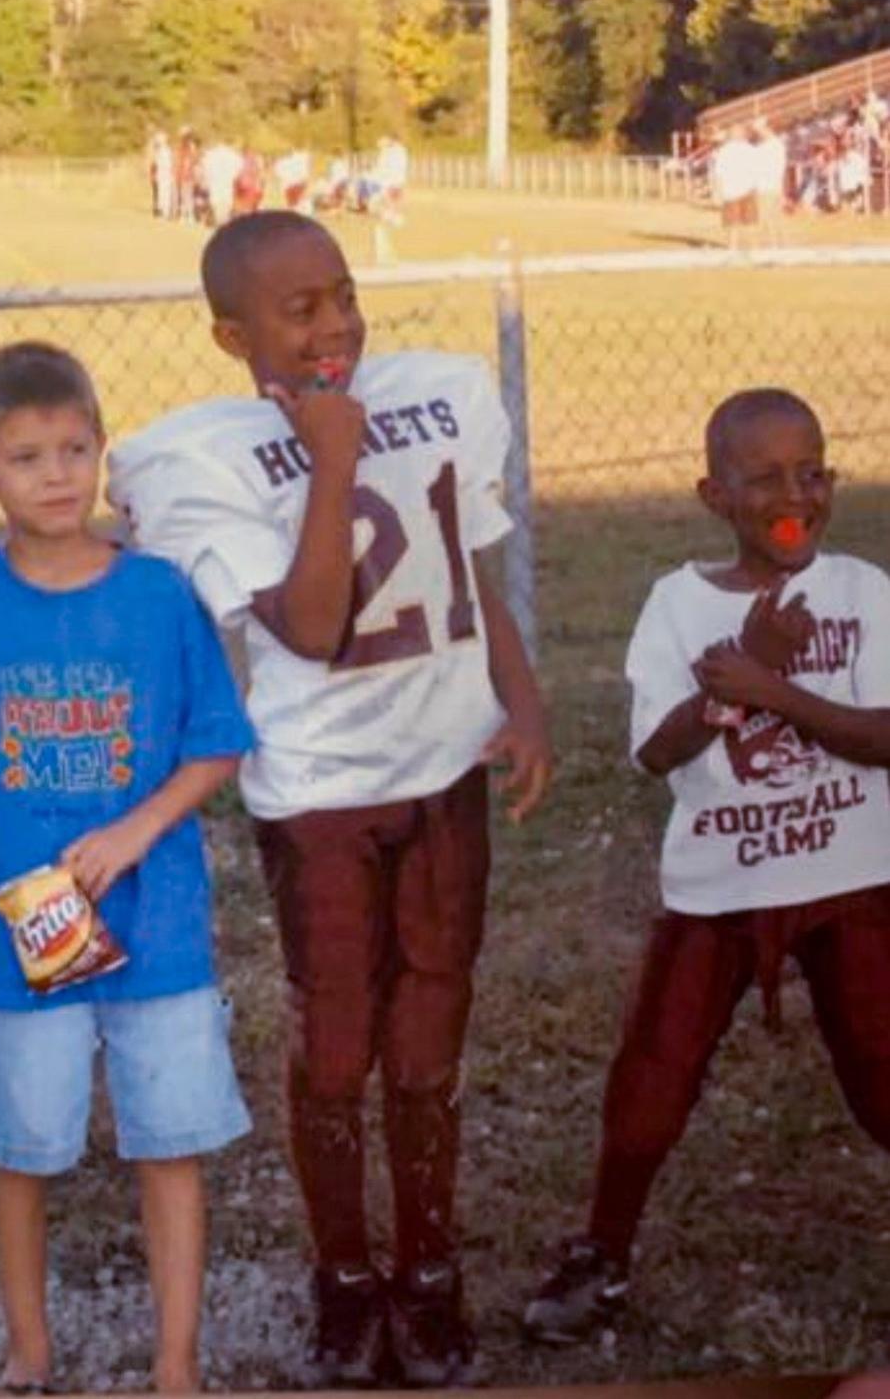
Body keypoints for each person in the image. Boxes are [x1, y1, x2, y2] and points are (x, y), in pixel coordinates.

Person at [107, 211, 551, 1388]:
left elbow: (469, 573)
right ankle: (345, 1273)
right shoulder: (203, 453)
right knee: (339, 1043)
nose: (336, 322)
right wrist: (333, 454)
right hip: (320, 797)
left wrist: (525, 699)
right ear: (230, 334)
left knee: (428, 1041)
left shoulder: (439, 390)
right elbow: (307, 626)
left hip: (443, 764)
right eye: (299, 309)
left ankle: (431, 1266)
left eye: (343, 293)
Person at [0, 341, 254, 1395]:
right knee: (20, 1142)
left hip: (159, 928)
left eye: (75, 448)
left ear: (102, 449)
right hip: (28, 928)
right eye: (25, 456)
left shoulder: (157, 594)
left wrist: (138, 829)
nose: (57, 474)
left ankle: (178, 1360)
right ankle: (29, 1348)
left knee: (169, 1139)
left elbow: (218, 742)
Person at [523, 388, 890, 1345]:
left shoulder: (861, 590)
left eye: (813, 472)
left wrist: (772, 685)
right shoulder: (678, 605)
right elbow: (656, 751)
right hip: (721, 890)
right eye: (765, 477)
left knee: (885, 1072)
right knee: (654, 1076)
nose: (795, 494)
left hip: (851, 881)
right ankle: (602, 1250)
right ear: (712, 495)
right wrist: (727, 681)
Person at [711, 125, 757, 249]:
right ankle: (748, 247)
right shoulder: (749, 149)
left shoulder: (725, 150)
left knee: (737, 222)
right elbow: (718, 173)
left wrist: (717, 192)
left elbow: (718, 173)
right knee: (745, 221)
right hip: (740, 189)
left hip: (736, 190)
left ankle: (737, 247)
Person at [750, 117, 786, 245]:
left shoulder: (774, 145)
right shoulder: (762, 146)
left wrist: (781, 190)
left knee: (769, 218)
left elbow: (780, 168)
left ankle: (773, 246)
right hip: (764, 185)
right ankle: (772, 246)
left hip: (768, 185)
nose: (757, 133)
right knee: (767, 219)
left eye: (759, 130)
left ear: (766, 128)